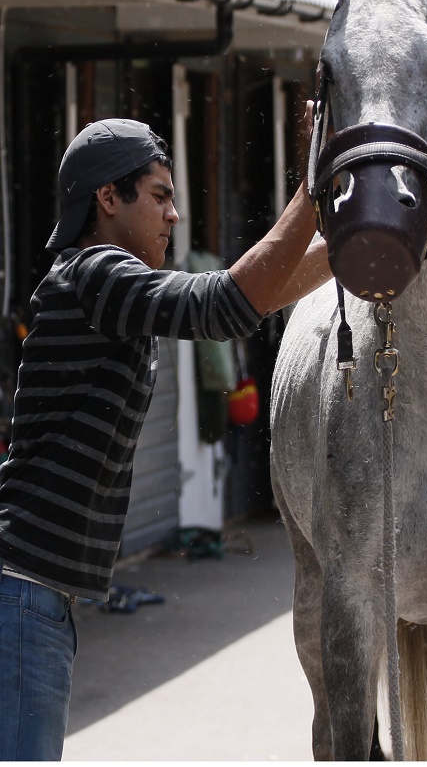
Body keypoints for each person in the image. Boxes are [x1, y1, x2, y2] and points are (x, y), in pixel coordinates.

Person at [0, 113, 330, 761]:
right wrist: (313, 191)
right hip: (21, 597)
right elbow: (225, 305)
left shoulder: (106, 287)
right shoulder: (95, 275)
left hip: (34, 598)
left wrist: (349, 245)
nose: (174, 214)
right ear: (108, 198)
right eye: (159, 195)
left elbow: (256, 298)